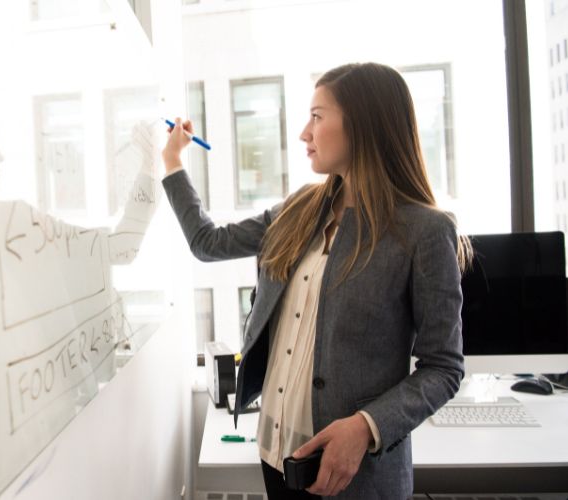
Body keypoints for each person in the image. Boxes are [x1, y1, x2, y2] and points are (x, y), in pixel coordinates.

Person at [160, 62, 470, 499]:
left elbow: (443, 368)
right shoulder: (300, 208)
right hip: (276, 457)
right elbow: (207, 242)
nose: (305, 133)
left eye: (317, 116)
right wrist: (173, 161)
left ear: (363, 124)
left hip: (355, 476)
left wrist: (366, 427)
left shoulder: (424, 231)